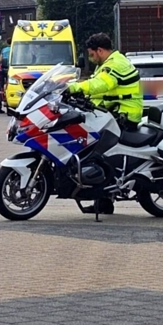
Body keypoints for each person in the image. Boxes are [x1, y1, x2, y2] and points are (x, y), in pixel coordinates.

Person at [67, 33, 142, 214]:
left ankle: (104, 200)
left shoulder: (115, 65)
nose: (91, 58)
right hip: (114, 112)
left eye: (92, 54)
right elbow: (98, 89)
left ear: (100, 51)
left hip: (124, 116)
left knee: (95, 153)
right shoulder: (108, 63)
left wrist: (73, 88)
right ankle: (102, 199)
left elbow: (101, 85)